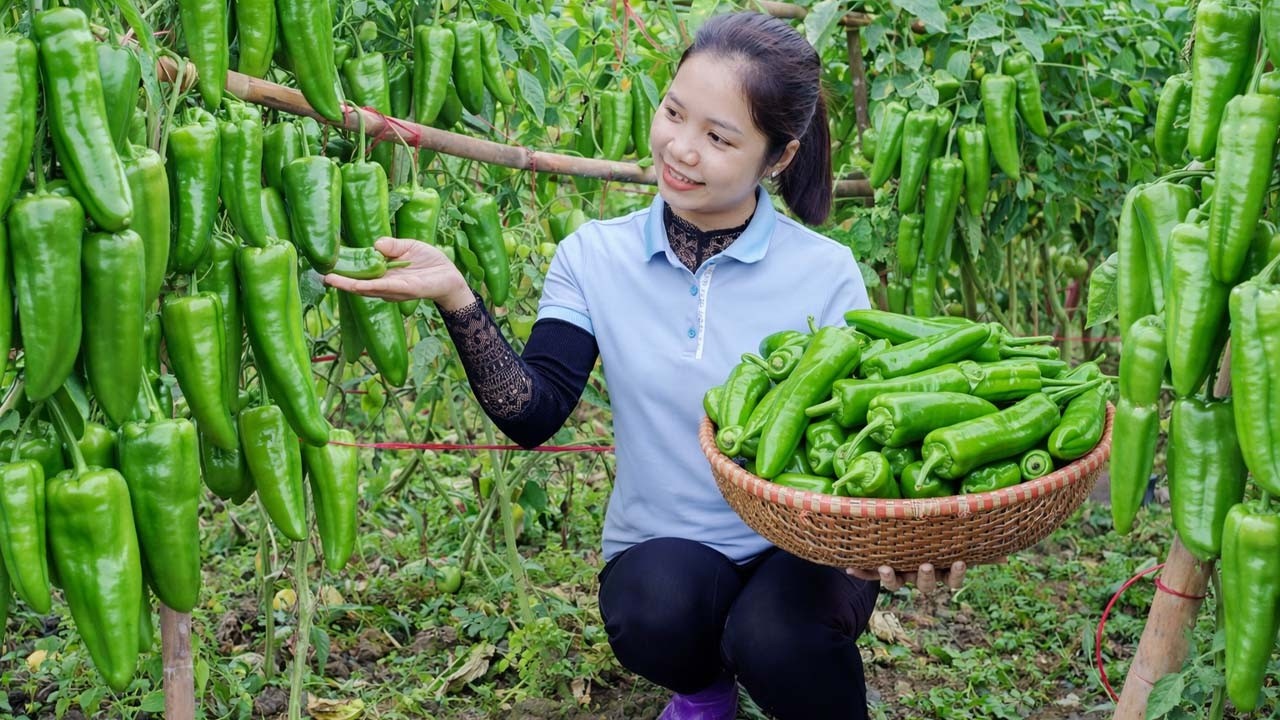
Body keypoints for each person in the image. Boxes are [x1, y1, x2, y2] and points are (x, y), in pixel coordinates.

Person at [326, 11, 964, 720]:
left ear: (778, 158)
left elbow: (865, 435)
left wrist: (914, 535)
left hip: (807, 541)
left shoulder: (825, 272)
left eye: (719, 138)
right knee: (650, 610)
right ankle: (704, 691)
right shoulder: (593, 256)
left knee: (777, 637)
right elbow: (534, 413)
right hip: (667, 545)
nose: (680, 150)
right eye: (673, 113)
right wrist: (457, 298)